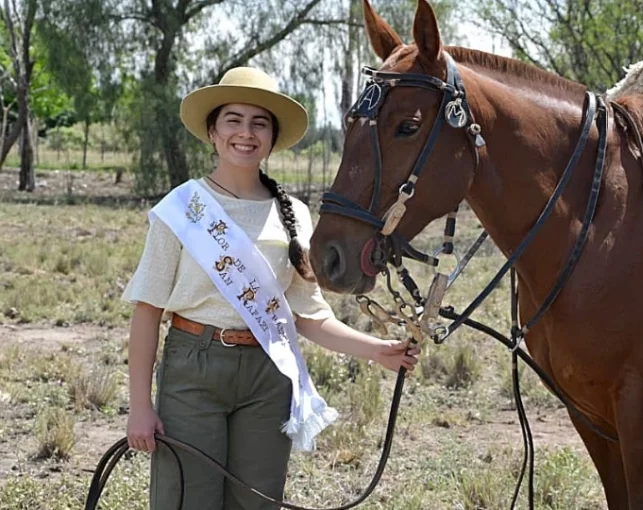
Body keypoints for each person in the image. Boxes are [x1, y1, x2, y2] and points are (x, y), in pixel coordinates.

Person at [121, 66, 420, 510]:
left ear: (273, 136)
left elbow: (308, 317)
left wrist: (376, 349)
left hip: (268, 376)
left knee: (258, 502)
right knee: (186, 499)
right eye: (233, 120)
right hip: (194, 369)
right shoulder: (182, 208)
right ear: (213, 131)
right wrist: (139, 406)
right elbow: (147, 311)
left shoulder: (294, 214)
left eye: (259, 122)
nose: (246, 132)